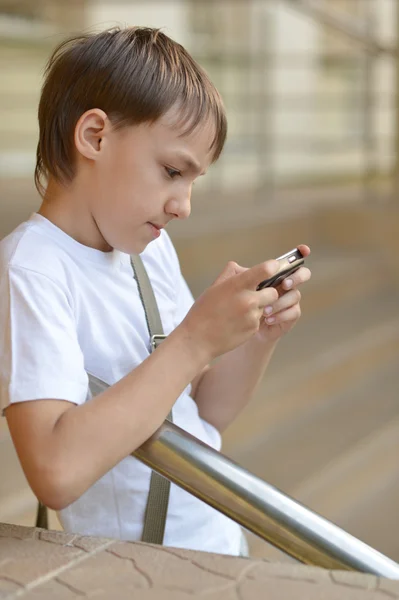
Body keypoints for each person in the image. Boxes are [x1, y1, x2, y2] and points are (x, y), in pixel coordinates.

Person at [0, 26, 311, 556]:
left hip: (217, 545)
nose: (183, 205)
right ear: (95, 136)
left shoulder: (147, 251)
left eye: (192, 181)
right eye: (172, 171)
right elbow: (55, 469)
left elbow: (201, 415)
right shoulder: (32, 270)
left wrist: (256, 336)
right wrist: (193, 341)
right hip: (140, 570)